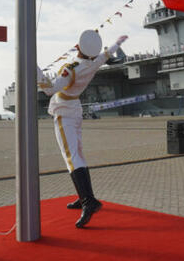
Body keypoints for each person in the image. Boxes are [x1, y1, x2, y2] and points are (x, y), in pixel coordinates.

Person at [37, 30, 127, 228]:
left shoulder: (71, 68)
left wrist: (35, 70)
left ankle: (88, 201)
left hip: (64, 111)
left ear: (78, 46)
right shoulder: (94, 62)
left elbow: (50, 90)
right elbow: (107, 54)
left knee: (71, 157)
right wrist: (118, 41)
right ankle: (84, 196)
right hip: (75, 109)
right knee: (78, 154)